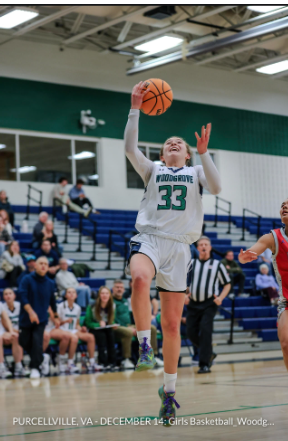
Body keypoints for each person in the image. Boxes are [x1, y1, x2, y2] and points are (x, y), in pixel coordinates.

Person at [124, 82, 221, 425]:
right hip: (149, 238)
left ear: (187, 153)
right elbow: (130, 147)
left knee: (172, 325)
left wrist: (205, 153)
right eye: (168, 144)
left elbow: (217, 187)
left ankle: (168, 394)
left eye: (179, 143)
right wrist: (136, 107)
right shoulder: (153, 169)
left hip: (181, 248)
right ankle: (144, 345)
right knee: (138, 278)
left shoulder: (197, 171)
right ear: (163, 155)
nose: (174, 144)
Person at [238, 198, 288, 372]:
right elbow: (251, 251)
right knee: (286, 343)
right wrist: (244, 257)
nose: (284, 207)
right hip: (286, 302)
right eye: (282, 205)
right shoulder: (272, 237)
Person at [186, 236, 231, 373]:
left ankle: (204, 364)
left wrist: (221, 298)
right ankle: (209, 352)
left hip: (209, 303)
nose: (203, 246)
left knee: (205, 331)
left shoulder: (218, 265)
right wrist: (184, 294)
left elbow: (227, 284)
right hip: (193, 303)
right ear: (198, 248)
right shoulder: (191, 263)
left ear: (210, 248)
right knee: (190, 332)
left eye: (206, 244)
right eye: (201, 244)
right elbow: (183, 282)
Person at [18, 256, 59, 379]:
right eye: (40, 263)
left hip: (41, 319)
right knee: (23, 341)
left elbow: (52, 301)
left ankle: (35, 367)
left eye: (45, 264)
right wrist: (30, 312)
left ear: (47, 267)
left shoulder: (50, 283)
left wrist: (56, 316)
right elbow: (23, 296)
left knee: (37, 341)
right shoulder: (26, 279)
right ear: (35, 265)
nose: (43, 266)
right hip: (26, 318)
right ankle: (42, 357)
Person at [112, 279, 163, 369]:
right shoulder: (111, 302)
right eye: (117, 287)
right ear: (113, 289)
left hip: (129, 324)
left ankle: (153, 356)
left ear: (124, 289)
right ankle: (126, 359)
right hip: (118, 326)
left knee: (152, 329)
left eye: (121, 287)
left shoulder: (125, 300)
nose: (119, 289)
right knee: (128, 332)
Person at [57, 288, 96, 373]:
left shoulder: (77, 308)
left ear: (76, 295)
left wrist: (81, 328)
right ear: (65, 295)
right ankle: (69, 363)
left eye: (73, 292)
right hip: (62, 330)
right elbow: (57, 323)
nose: (71, 294)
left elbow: (77, 324)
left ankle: (92, 362)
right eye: (69, 292)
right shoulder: (60, 306)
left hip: (73, 330)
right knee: (74, 338)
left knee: (91, 337)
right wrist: (65, 321)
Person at [85, 286, 117, 370]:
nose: (104, 295)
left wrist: (113, 324)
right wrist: (97, 324)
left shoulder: (112, 306)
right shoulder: (92, 305)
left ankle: (112, 362)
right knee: (102, 337)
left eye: (107, 293)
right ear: (99, 295)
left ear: (110, 295)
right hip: (95, 329)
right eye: (102, 293)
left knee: (111, 335)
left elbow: (111, 320)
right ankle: (102, 362)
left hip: (106, 327)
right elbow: (87, 322)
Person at [1, 288, 29, 377]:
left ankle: (18, 366)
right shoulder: (3, 305)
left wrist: (12, 331)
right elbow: (3, 322)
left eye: (10, 293)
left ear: (14, 295)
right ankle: (1, 367)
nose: (8, 296)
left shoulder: (1, 305)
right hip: (3, 333)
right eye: (6, 294)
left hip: (8, 332)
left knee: (16, 336)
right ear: (3, 296)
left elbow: (6, 319)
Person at [43, 307, 72, 374]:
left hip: (51, 328)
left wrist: (51, 313)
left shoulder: (53, 306)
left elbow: (57, 322)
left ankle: (60, 360)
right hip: (39, 328)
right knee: (45, 336)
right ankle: (40, 360)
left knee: (66, 336)